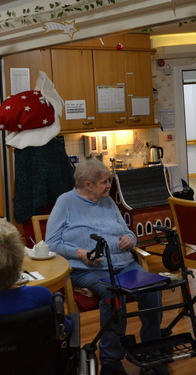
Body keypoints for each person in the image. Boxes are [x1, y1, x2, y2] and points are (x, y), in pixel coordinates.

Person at [46, 159, 164, 375]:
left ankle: (152, 351)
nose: (110, 184)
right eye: (105, 181)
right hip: (87, 269)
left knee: (152, 288)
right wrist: (80, 253)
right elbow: (51, 243)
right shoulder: (66, 202)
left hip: (124, 264)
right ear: (88, 184)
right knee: (113, 294)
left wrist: (131, 239)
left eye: (108, 180)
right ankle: (111, 360)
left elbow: (128, 231)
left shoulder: (108, 202)